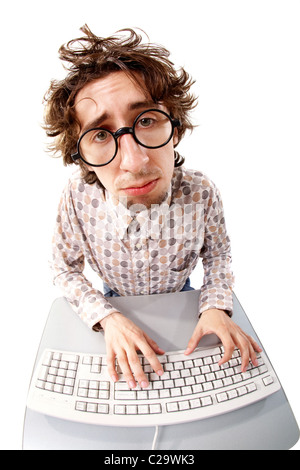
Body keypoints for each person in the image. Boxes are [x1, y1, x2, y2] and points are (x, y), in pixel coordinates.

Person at [45, 25, 261, 390]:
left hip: (184, 303)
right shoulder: (76, 200)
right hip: (116, 304)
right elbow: (64, 270)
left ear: (174, 127)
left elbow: (218, 254)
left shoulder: (202, 193)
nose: (134, 160)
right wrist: (108, 319)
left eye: (146, 120)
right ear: (81, 157)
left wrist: (215, 306)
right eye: (100, 135)